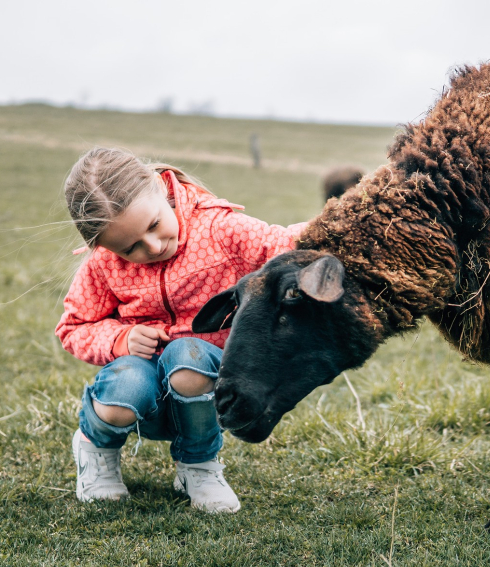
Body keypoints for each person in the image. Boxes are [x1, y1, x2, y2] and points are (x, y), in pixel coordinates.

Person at [56, 147, 307, 513]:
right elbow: (74, 326)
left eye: (154, 225)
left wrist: (353, 222)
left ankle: (199, 465)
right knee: (125, 385)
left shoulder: (220, 229)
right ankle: (96, 450)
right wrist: (120, 339)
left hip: (202, 384)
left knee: (188, 356)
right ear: (104, 247)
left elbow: (285, 243)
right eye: (131, 248)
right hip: (141, 388)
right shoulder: (103, 265)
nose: (153, 246)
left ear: (161, 188)